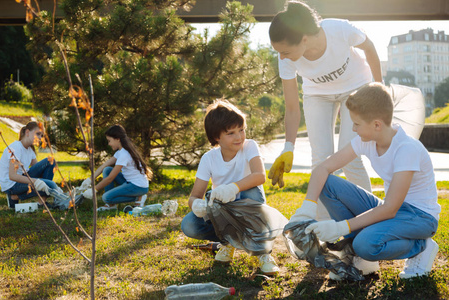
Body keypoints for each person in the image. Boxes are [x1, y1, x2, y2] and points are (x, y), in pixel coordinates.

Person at [290, 83, 440, 280]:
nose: (353, 128)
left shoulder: (407, 149)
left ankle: (421, 246)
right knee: (328, 183)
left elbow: (390, 209)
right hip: (392, 209)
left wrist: (341, 227)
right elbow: (323, 168)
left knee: (366, 245)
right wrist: (307, 207)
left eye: (356, 124)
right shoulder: (366, 141)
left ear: (377, 124)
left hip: (420, 217)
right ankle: (357, 256)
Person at [268, 0, 382, 220]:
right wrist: (288, 147)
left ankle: (370, 219)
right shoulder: (287, 59)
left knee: (350, 157)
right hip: (317, 94)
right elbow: (292, 108)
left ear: (304, 38)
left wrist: (379, 89)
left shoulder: (339, 29)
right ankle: (322, 227)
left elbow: (369, 47)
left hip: (357, 88)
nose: (281, 56)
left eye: (284, 51)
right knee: (320, 160)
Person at [181, 100, 280, 275]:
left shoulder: (249, 146)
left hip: (250, 211)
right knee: (189, 224)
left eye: (241, 130)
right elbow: (194, 196)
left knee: (249, 188)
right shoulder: (208, 158)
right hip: (223, 216)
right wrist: (196, 205)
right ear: (216, 137)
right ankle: (227, 243)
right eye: (231, 133)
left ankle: (264, 253)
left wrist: (233, 188)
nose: (239, 137)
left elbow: (260, 176)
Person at [81, 124, 151, 211]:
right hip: (130, 182)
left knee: (106, 197)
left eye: (109, 141)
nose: (109, 144)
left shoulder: (124, 154)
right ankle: (111, 205)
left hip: (138, 186)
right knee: (107, 170)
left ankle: (137, 197)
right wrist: (90, 179)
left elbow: (110, 178)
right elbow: (104, 165)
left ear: (118, 139)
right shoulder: (120, 152)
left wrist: (94, 190)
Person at [0, 121, 61, 209]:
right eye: (38, 134)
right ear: (27, 132)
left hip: (20, 179)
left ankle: (41, 203)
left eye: (41, 135)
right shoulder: (16, 147)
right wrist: (36, 182)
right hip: (11, 185)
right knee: (50, 185)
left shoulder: (30, 150)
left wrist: (43, 181)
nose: (40, 138)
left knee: (50, 162)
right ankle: (14, 196)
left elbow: (40, 169)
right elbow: (12, 176)